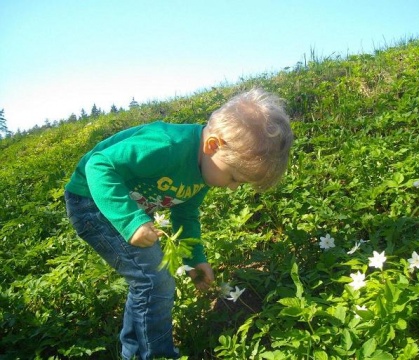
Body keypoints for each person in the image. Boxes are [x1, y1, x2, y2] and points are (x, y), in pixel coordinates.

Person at [64, 88, 293, 359]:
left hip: (124, 206)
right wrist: (131, 221)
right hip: (92, 202)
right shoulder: (167, 146)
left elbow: (185, 215)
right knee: (155, 280)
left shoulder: (205, 168)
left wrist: (195, 260)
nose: (232, 188)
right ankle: (158, 354)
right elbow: (98, 165)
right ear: (212, 146)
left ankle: (134, 352)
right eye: (234, 178)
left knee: (147, 281)